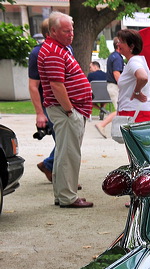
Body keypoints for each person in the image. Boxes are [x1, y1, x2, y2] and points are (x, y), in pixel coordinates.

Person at [38, 12, 93, 208]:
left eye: (72, 30)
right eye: (66, 30)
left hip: (68, 109)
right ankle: (68, 197)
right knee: (69, 154)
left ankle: (62, 195)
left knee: (64, 153)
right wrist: (70, 110)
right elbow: (57, 85)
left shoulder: (59, 48)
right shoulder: (54, 51)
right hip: (66, 109)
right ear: (53, 31)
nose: (71, 34)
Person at [28, 17, 55, 183]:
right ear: (51, 32)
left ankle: (51, 166)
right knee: (64, 141)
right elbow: (33, 85)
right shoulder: (37, 53)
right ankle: (50, 166)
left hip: (60, 103)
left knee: (66, 142)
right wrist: (39, 113)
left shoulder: (65, 49)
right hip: (49, 103)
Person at [114, 29, 150, 124]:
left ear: (131, 46)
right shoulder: (140, 60)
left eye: (121, 42)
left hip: (133, 113)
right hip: (140, 111)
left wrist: (136, 92)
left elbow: (143, 77)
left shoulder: (134, 61)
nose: (118, 44)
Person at [94, 37, 123, 137]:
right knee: (120, 110)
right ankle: (102, 124)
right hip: (115, 86)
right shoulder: (118, 58)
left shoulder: (113, 56)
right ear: (119, 45)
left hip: (111, 86)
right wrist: (123, 86)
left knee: (121, 110)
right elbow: (116, 73)